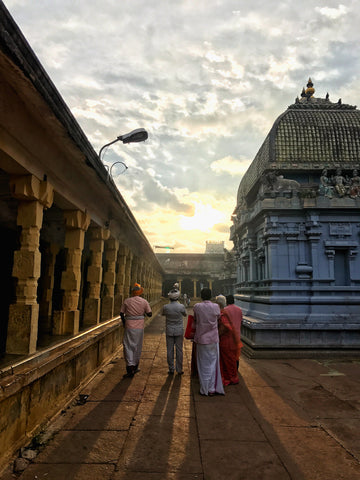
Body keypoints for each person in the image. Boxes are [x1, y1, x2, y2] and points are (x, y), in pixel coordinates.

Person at [193, 288, 224, 396]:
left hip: (201, 339)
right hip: (213, 339)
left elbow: (195, 320)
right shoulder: (216, 307)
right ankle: (211, 389)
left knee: (202, 364)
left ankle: (204, 388)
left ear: (201, 296)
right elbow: (219, 318)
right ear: (211, 296)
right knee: (213, 363)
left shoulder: (197, 307)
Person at [120, 283, 152, 378]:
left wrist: (124, 323)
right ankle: (135, 366)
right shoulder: (144, 301)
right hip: (139, 326)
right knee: (137, 345)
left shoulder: (127, 301)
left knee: (128, 345)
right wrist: (142, 314)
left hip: (129, 325)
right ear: (140, 292)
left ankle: (130, 367)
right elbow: (149, 314)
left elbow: (121, 313)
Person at [216, 295, 241, 386]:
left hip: (225, 339)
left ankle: (228, 377)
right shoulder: (239, 309)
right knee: (233, 358)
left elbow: (224, 327)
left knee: (226, 360)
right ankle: (234, 376)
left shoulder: (223, 312)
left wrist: (216, 335)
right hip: (236, 336)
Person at [162, 288, 187, 374]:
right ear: (178, 297)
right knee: (179, 350)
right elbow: (185, 314)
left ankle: (171, 368)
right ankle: (179, 369)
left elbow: (163, 313)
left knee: (169, 350)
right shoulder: (181, 306)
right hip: (179, 330)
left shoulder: (166, 307)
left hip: (169, 329)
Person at [224, 294, 243, 370]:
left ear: (226, 301)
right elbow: (241, 321)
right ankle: (236, 369)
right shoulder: (239, 309)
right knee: (236, 355)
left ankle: (230, 371)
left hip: (228, 336)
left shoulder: (225, 310)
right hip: (237, 335)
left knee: (228, 355)